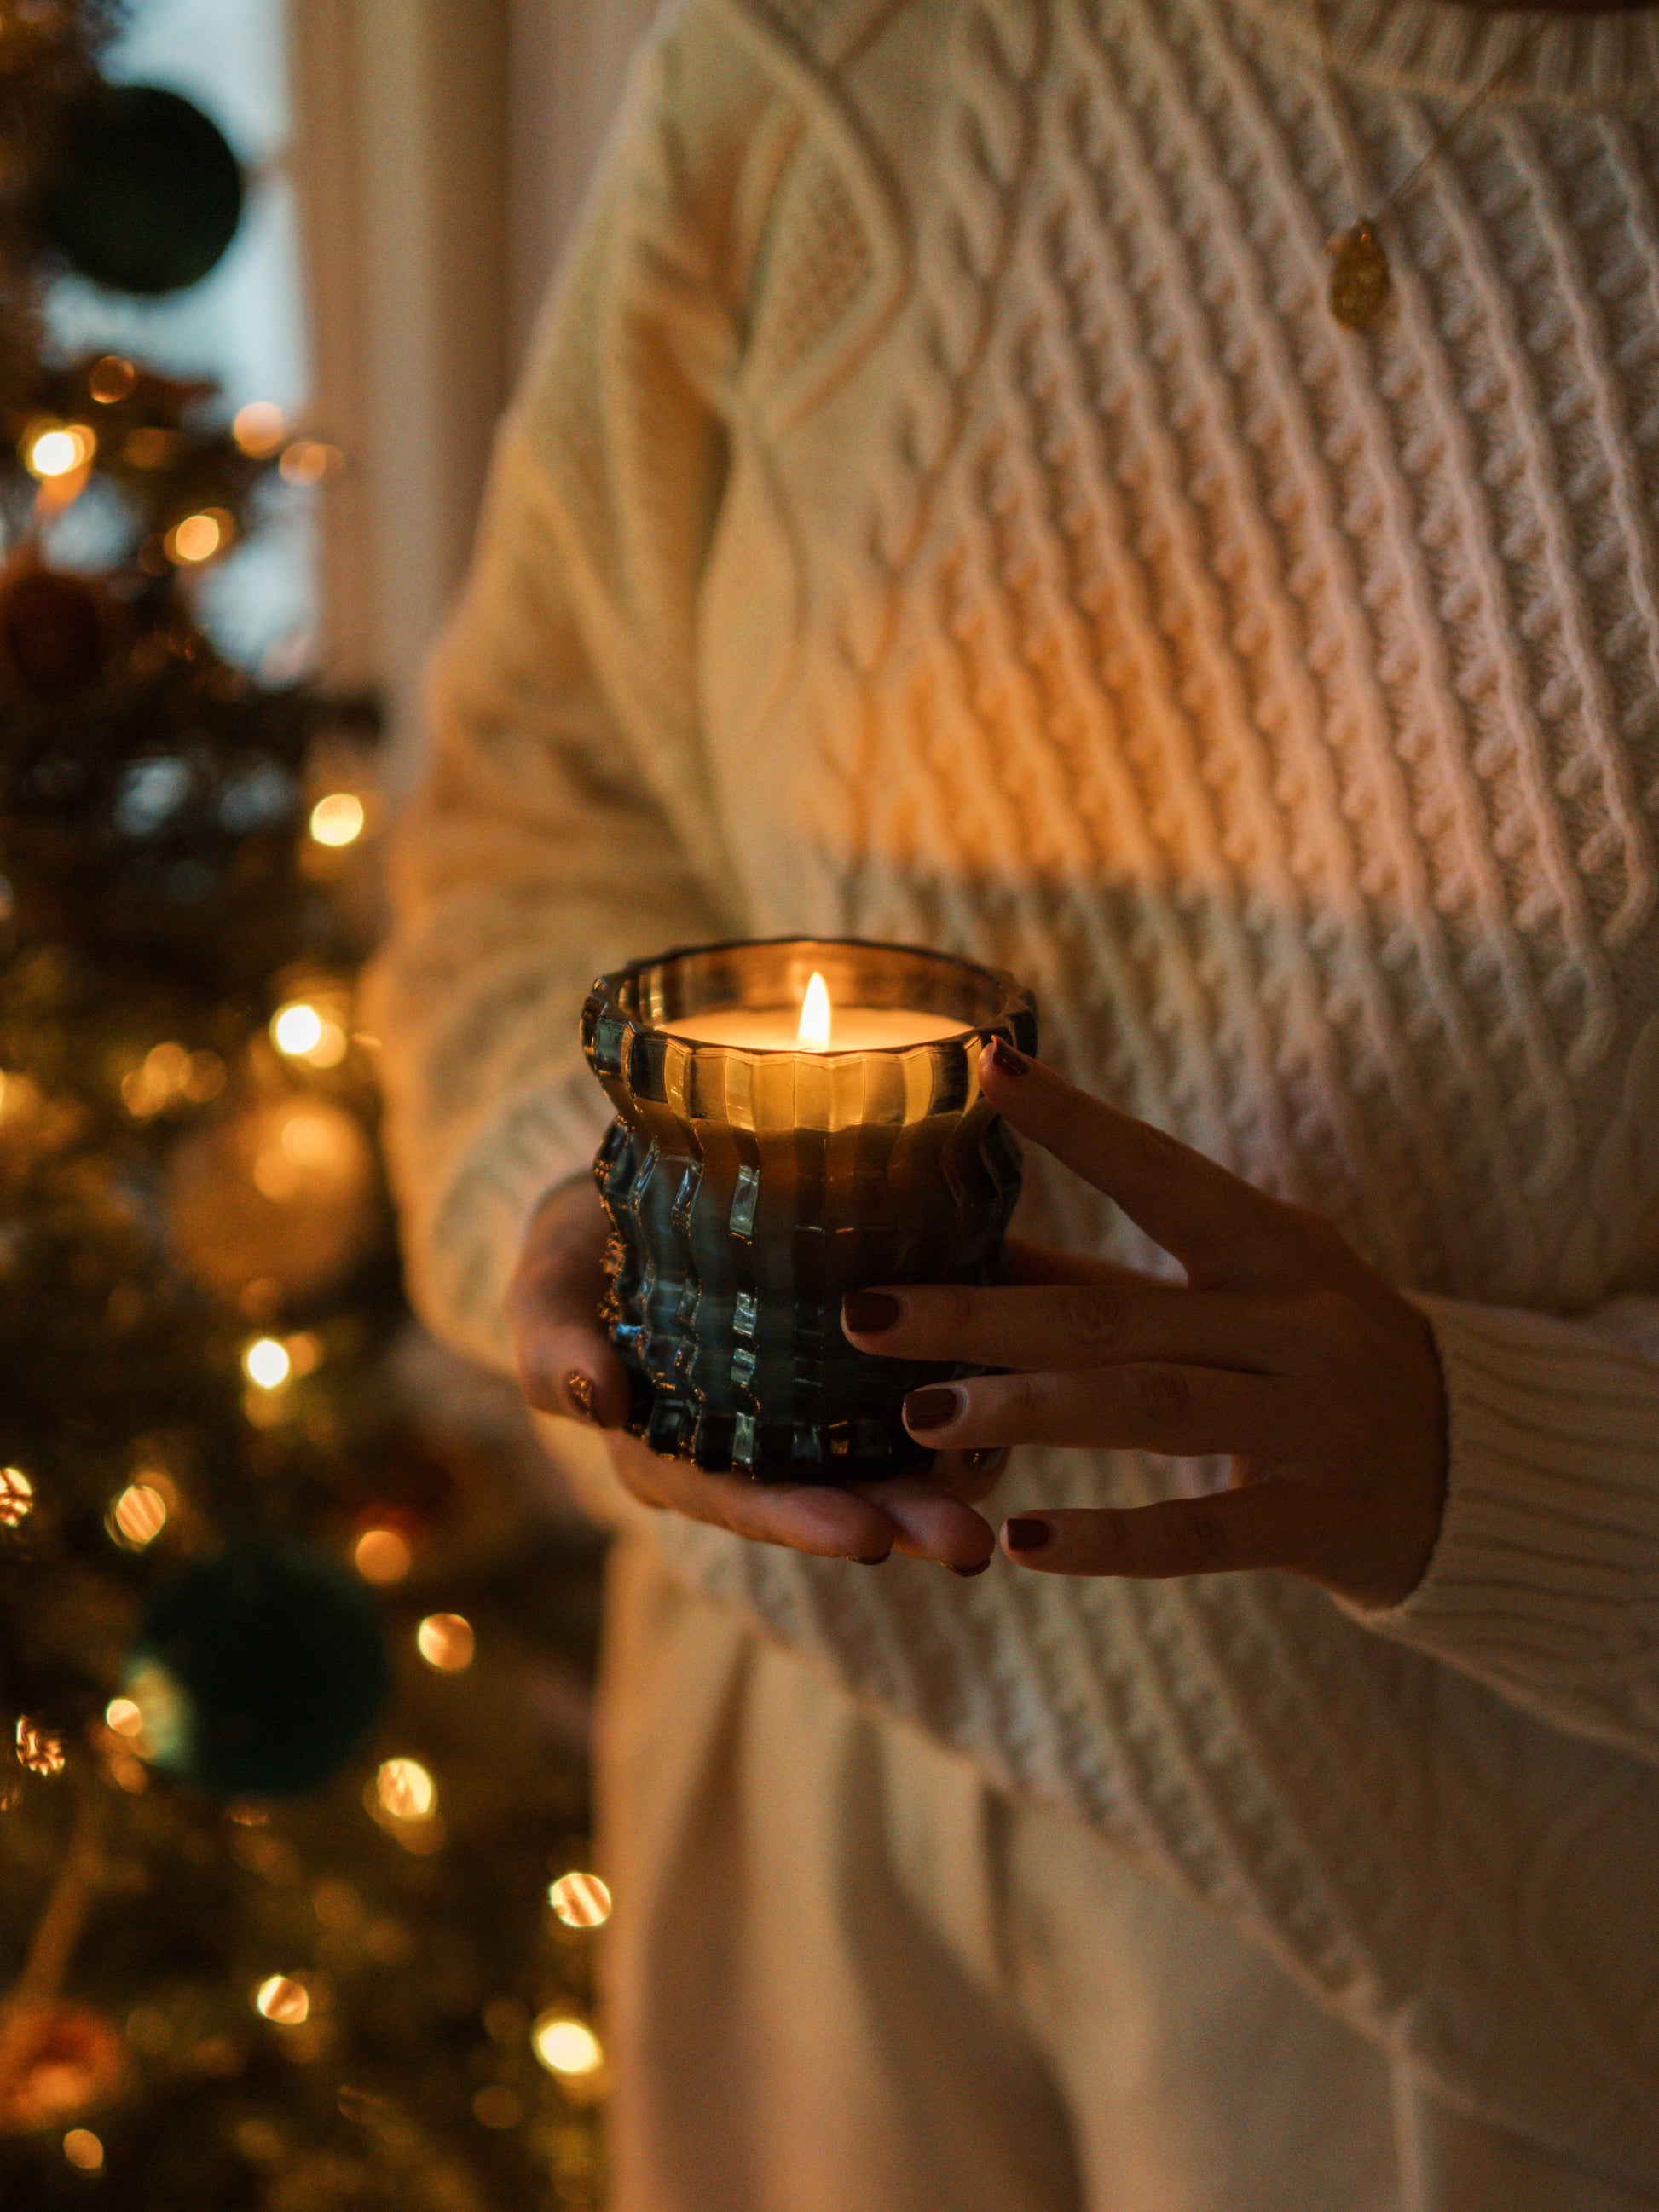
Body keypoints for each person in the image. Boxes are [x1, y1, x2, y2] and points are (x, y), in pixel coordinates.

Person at [368, 0, 1659, 2202]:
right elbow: (533, 811)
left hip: (1473, 1926)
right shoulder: (835, 57)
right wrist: (565, 1199)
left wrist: (1484, 1466)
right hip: (800, 1735)